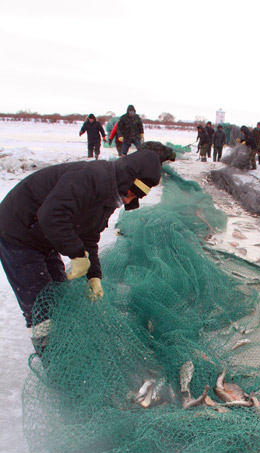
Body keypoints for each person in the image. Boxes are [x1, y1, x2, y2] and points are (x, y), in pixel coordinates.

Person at [0, 146, 169, 350]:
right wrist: (77, 254)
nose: (128, 199)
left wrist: (93, 275)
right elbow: (51, 215)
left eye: (136, 197)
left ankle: (65, 345)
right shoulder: (91, 178)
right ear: (127, 178)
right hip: (17, 231)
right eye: (132, 192)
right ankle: (53, 359)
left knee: (60, 294)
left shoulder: (111, 195)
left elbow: (89, 235)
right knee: (42, 306)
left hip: (44, 235)